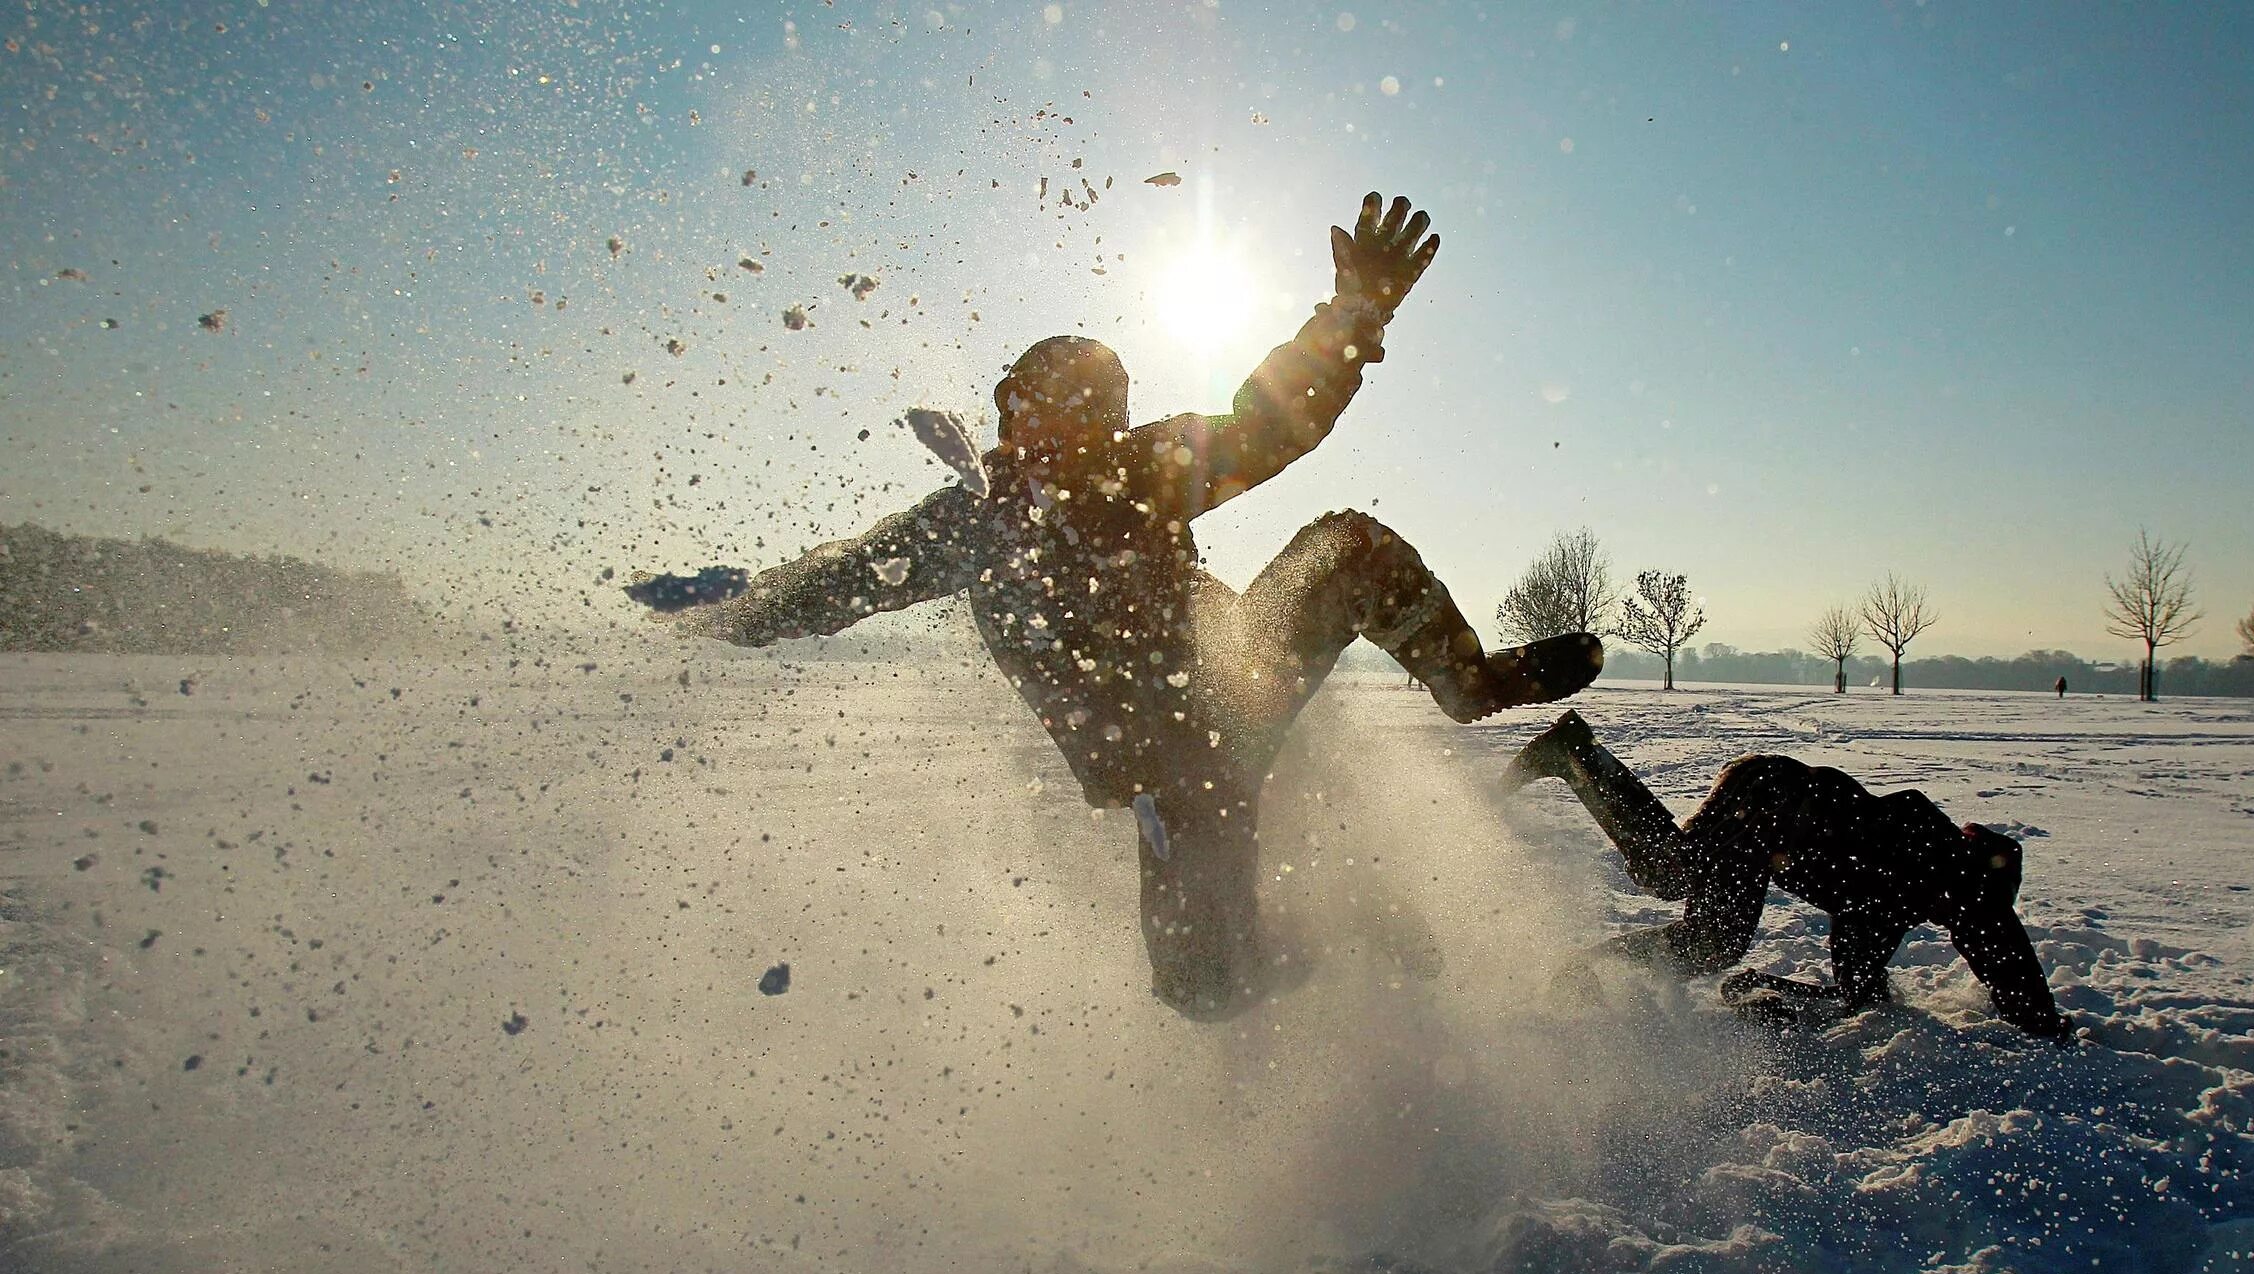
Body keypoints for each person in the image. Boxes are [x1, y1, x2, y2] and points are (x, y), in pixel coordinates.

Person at [636, 193, 1605, 1019]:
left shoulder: (1147, 468)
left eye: (1100, 406)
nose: (1076, 425)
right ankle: (1321, 948)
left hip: (1242, 689)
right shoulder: (965, 523)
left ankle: (1472, 682)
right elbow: (838, 582)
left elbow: (1278, 419)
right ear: (1011, 405)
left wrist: (1352, 314)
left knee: (1342, 546)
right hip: (1172, 780)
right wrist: (729, 610)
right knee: (1202, 993)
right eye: (1050, 402)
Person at [1503, 710, 2068, 1038]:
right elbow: (1987, 939)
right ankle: (1577, 756)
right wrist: (2041, 1022)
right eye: (1955, 911)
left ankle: (1596, 973)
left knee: (1712, 943)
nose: (1948, 923)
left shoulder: (1934, 884)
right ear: (1959, 880)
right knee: (1671, 875)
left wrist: (2040, 1020)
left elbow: (1987, 944)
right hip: (1770, 803)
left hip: (1773, 824)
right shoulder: (1916, 858)